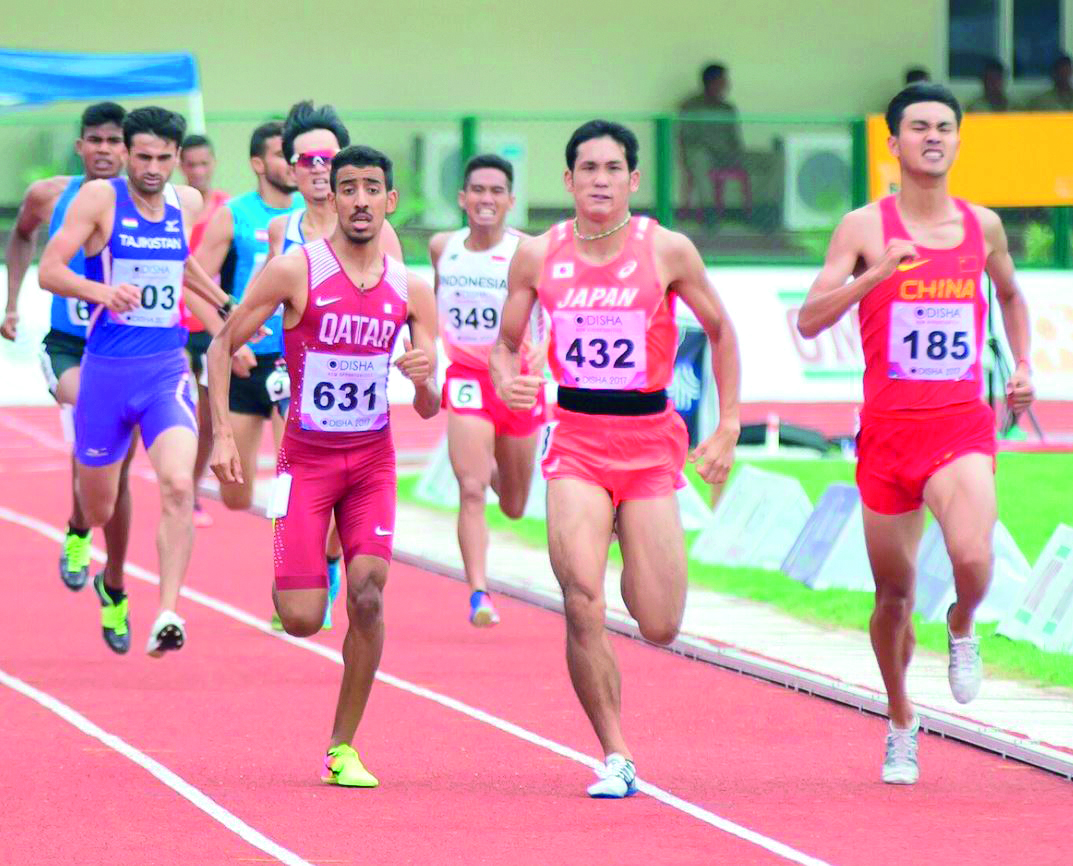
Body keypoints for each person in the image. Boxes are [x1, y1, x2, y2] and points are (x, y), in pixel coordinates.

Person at [491, 120, 742, 798]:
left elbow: (720, 331)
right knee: (581, 601)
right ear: (567, 181)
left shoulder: (666, 249)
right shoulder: (538, 255)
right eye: (587, 168)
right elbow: (504, 343)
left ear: (632, 179)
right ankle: (615, 753)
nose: (599, 179)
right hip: (575, 439)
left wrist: (728, 426)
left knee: (659, 623)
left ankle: (634, 551)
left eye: (612, 168)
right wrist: (508, 375)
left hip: (650, 443)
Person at [797, 83, 1035, 784]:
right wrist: (876, 273)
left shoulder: (981, 226)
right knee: (892, 597)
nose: (932, 136)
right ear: (893, 145)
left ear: (957, 142)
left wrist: (1022, 365)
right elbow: (810, 319)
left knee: (970, 556)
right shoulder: (861, 228)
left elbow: (1013, 295)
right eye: (917, 127)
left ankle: (962, 625)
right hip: (887, 436)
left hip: (960, 424)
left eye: (943, 127)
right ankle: (901, 719)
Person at [207, 145, 440, 787]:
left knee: (368, 594)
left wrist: (423, 381)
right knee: (303, 618)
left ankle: (342, 746)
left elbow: (429, 405)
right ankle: (306, 563)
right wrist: (224, 436)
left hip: (372, 463)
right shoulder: (294, 270)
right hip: (304, 463)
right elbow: (222, 347)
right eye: (349, 188)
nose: (361, 199)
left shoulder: (410, 289)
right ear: (330, 198)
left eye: (373, 187)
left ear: (391, 201)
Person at [39, 106, 230, 657]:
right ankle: (81, 531)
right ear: (125, 153)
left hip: (165, 368)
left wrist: (225, 308)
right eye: (140, 156)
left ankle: (167, 611)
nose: (151, 167)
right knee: (100, 505)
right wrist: (103, 294)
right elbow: (51, 270)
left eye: (162, 157)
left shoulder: (185, 203)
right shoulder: (100, 199)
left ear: (177, 157)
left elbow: (180, 262)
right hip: (105, 370)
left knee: (176, 484)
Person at [265, 101, 405, 629]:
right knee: (302, 465)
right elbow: (270, 297)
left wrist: (420, 360)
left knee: (342, 486)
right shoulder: (286, 231)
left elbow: (403, 310)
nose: (318, 168)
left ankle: (321, 552)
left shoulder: (376, 229)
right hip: (295, 378)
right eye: (306, 160)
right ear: (292, 169)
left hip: (362, 396)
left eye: (328, 158)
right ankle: (298, 553)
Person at [2, 101, 139, 624]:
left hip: (128, 349)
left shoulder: (146, 203)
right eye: (95, 141)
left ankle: (106, 565)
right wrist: (12, 301)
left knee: (115, 469)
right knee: (91, 418)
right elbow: (21, 236)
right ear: (80, 145)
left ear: (128, 149)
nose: (104, 151)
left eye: (114, 142)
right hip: (69, 346)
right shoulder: (50, 194)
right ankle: (83, 535)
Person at [429, 153, 547, 627]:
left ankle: (494, 462)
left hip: (518, 384)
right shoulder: (444, 246)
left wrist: (542, 356)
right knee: (472, 489)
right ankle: (479, 593)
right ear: (462, 197)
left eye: (497, 191)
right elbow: (437, 297)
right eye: (478, 190)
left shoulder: (530, 251)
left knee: (515, 505)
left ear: (511, 200)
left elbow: (553, 309)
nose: (486, 199)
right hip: (467, 378)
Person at [191, 122, 297, 528]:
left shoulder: (312, 214)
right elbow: (193, 287)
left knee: (299, 483)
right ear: (258, 162)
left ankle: (315, 566)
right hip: (244, 362)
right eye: (280, 155)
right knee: (237, 493)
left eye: (296, 157)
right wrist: (230, 340)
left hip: (293, 363)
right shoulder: (232, 215)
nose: (291, 164)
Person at [178, 133, 230, 528]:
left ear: (213, 163)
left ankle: (192, 490)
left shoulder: (227, 209)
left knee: (210, 418)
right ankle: (177, 483)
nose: (197, 170)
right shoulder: (176, 207)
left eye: (203, 163)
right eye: (190, 164)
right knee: (185, 412)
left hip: (213, 324)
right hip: (176, 322)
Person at [677, 64, 744, 215]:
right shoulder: (690, 106)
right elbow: (688, 138)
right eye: (722, 81)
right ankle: (709, 211)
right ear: (710, 82)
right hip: (703, 155)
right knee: (699, 158)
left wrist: (737, 153)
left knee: (771, 160)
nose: (726, 85)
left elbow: (735, 138)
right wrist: (713, 146)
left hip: (727, 156)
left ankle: (766, 210)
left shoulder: (728, 108)